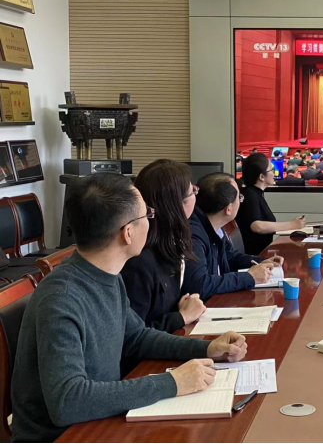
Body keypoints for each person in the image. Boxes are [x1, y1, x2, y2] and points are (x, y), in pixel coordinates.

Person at [10, 173, 248, 443]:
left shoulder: (106, 274)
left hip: (100, 421)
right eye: (147, 214)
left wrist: (206, 348)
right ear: (128, 233)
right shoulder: (62, 298)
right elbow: (68, 401)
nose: (151, 220)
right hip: (67, 435)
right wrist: (172, 383)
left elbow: (136, 336)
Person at [120, 160, 206, 334]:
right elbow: (131, 336)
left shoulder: (170, 242)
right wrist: (181, 317)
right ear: (177, 205)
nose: (196, 195)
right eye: (193, 191)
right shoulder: (139, 259)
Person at [186, 172, 278, 300]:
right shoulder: (193, 234)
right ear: (228, 209)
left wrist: (261, 262)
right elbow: (200, 285)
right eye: (239, 197)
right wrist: (249, 277)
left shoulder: (215, 224)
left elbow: (230, 257)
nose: (240, 201)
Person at [236, 153, 307, 255]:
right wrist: (291, 225)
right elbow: (257, 226)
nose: (274, 173)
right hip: (256, 255)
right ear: (262, 176)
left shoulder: (256, 193)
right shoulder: (250, 195)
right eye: (272, 170)